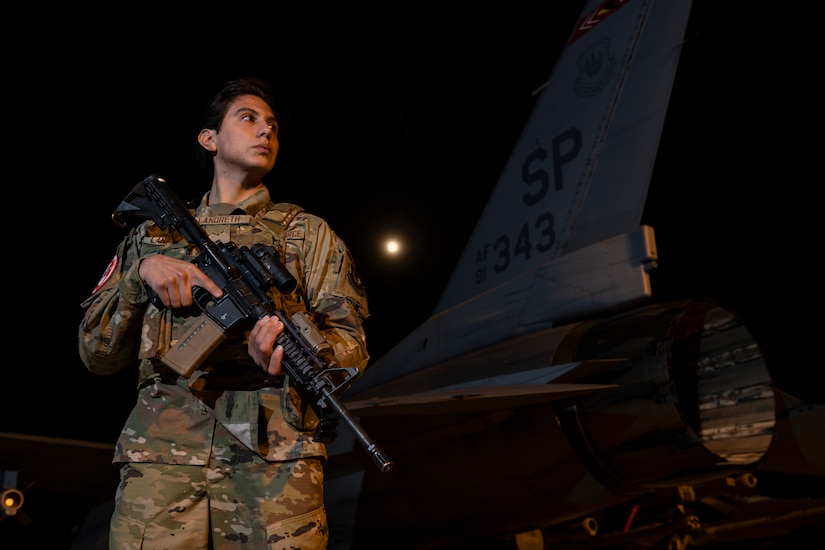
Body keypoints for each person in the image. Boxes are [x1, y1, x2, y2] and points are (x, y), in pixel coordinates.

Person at [78, 77, 370, 549]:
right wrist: (141, 274)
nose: (266, 132)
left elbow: (349, 344)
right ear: (208, 139)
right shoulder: (151, 237)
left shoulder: (307, 235)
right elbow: (96, 353)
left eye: (273, 125)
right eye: (248, 118)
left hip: (274, 464)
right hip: (162, 461)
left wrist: (290, 349)